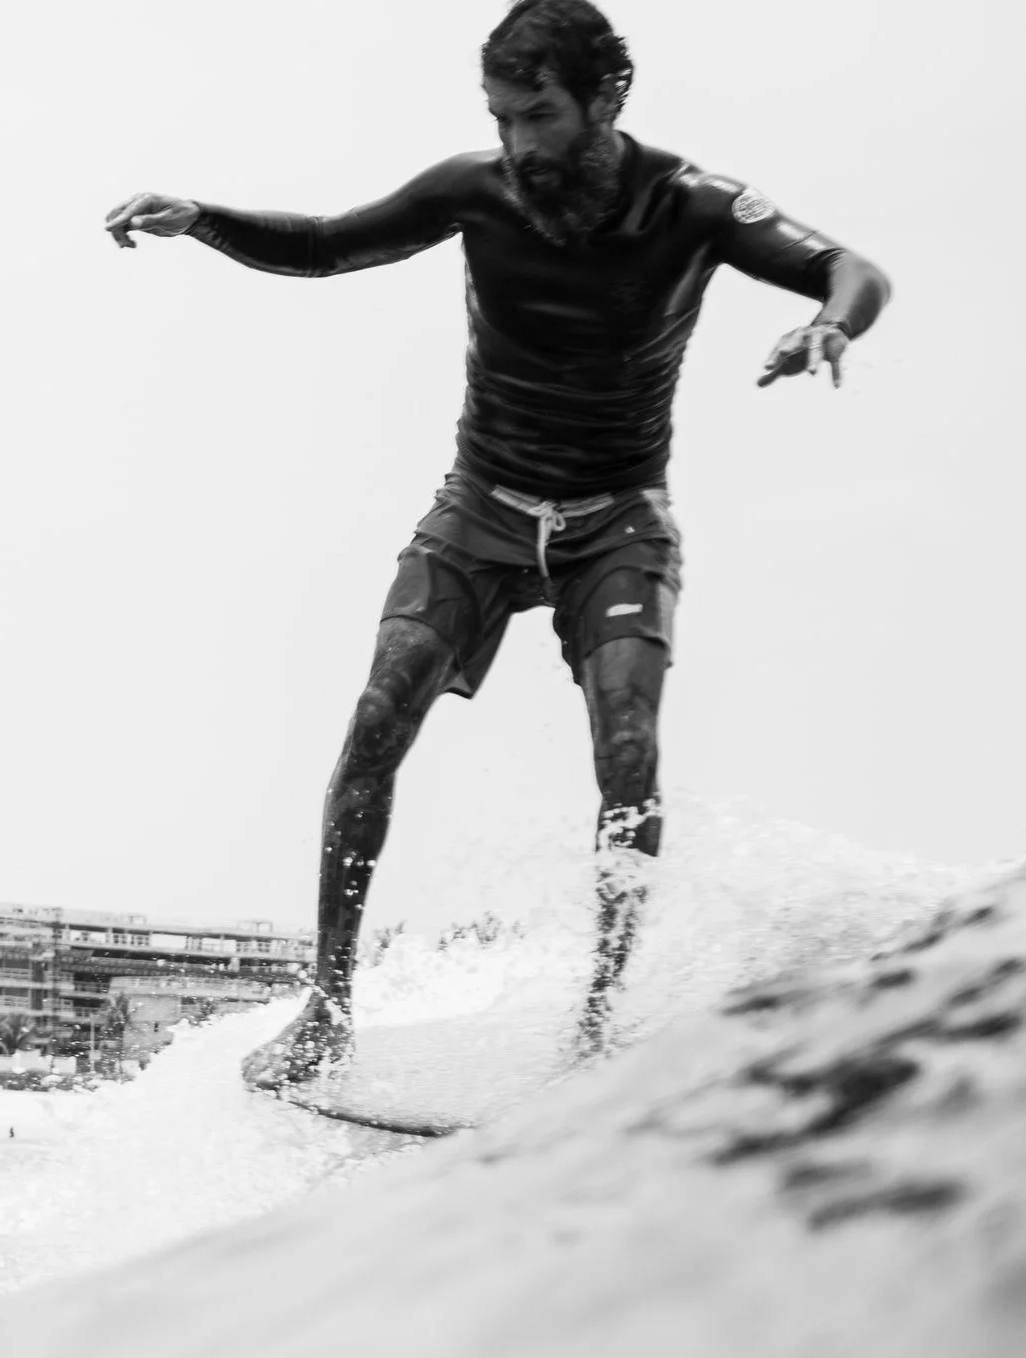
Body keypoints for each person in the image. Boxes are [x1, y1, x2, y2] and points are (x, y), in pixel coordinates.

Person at [105, 0, 889, 1087]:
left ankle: (596, 1028)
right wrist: (204, 217)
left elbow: (854, 269)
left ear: (607, 97)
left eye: (538, 115)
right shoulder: (473, 189)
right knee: (377, 718)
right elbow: (329, 246)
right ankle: (327, 1010)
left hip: (617, 520)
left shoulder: (693, 203)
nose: (519, 142)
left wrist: (829, 324)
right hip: (479, 507)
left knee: (625, 749)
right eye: (501, 117)